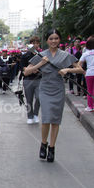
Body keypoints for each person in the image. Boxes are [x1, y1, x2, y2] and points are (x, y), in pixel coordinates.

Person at [23, 30, 85, 163]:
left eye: (56, 38)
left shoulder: (65, 55)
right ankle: (43, 144)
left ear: (59, 40)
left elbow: (80, 69)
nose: (54, 41)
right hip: (44, 88)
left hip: (58, 89)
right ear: (47, 41)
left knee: (55, 120)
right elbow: (27, 72)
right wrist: (40, 64)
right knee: (46, 118)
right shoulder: (41, 55)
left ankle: (52, 147)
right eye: (51, 38)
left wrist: (67, 70)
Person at [19, 37, 43, 124]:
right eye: (33, 43)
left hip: (39, 79)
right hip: (28, 79)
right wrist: (31, 69)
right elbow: (22, 67)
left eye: (37, 43)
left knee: (39, 97)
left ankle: (36, 114)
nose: (35, 45)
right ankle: (30, 116)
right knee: (29, 99)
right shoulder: (25, 56)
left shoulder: (41, 55)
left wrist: (38, 69)